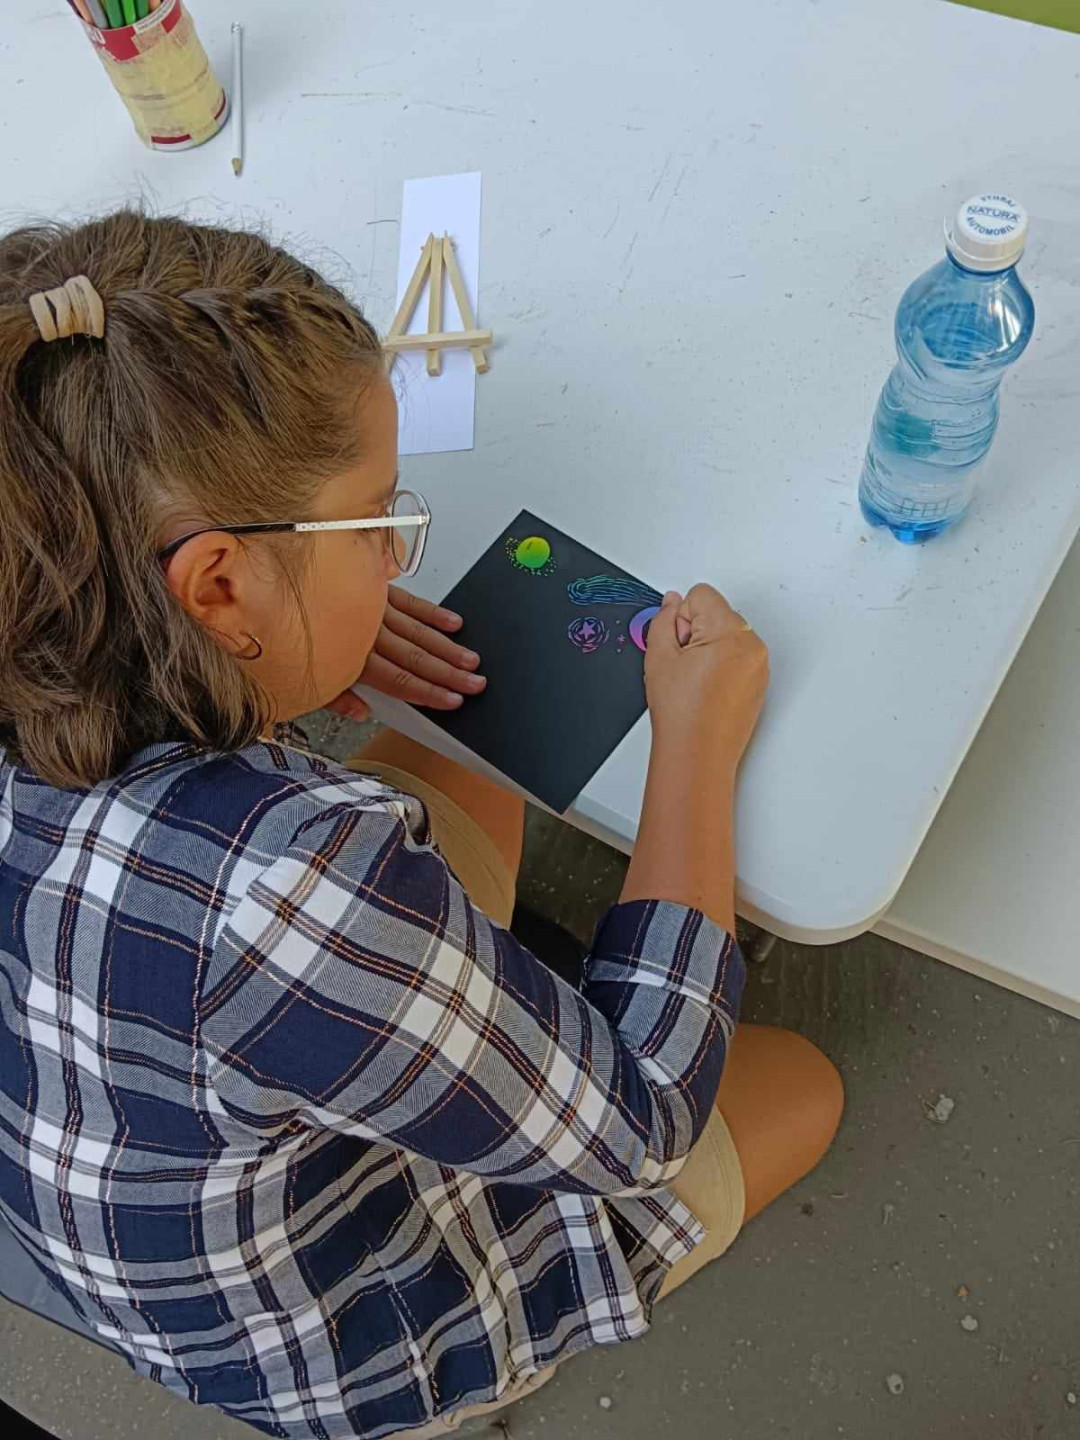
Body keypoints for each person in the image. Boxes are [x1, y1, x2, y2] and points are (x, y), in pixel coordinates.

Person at [0, 212, 842, 1440]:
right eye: (374, 524)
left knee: (476, 724)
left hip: (121, 1180)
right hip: (338, 1329)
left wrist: (285, 652)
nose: (397, 558)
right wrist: (696, 748)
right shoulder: (296, 892)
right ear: (218, 583)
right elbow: (647, 1116)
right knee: (803, 1085)